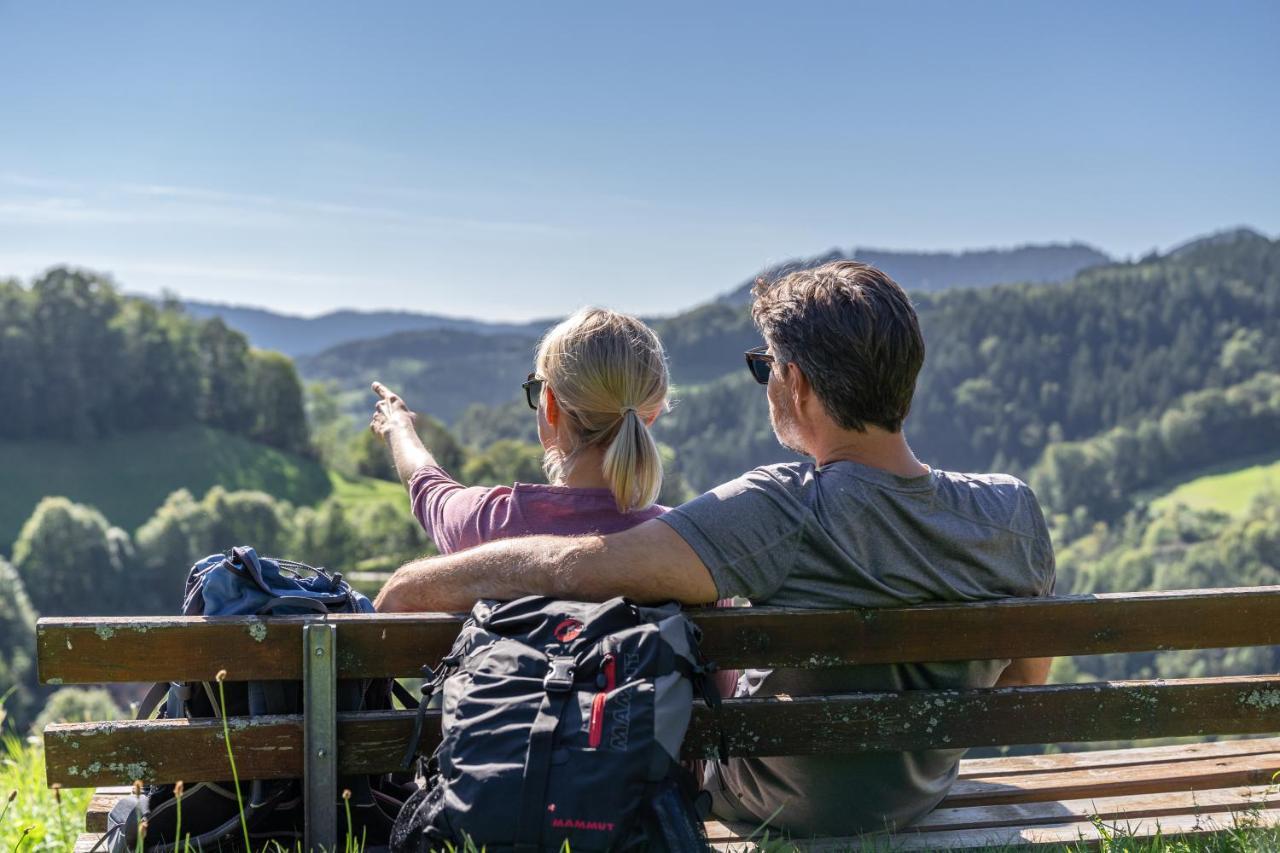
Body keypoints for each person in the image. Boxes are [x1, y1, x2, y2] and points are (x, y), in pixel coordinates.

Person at [375, 261, 1056, 838]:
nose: (767, 385)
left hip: (775, 802)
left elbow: (579, 565)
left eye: (767, 369)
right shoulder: (1013, 509)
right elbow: (1024, 683)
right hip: (917, 792)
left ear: (800, 386)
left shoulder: (783, 506)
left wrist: (418, 582)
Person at [369, 307, 673, 554]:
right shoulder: (686, 546)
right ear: (650, 417)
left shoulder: (489, 524)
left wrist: (398, 427)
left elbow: (428, 487)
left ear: (551, 404)